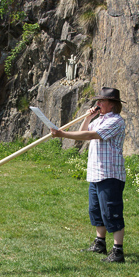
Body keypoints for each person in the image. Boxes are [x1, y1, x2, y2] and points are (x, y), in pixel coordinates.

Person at [51, 87, 127, 263]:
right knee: (96, 210)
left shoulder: (116, 121)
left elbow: (91, 135)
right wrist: (87, 118)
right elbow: (82, 132)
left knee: (112, 212)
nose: (97, 104)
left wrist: (62, 134)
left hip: (110, 174)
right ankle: (100, 243)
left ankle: (118, 251)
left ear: (112, 104)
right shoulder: (99, 120)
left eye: (101, 101)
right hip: (95, 173)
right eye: (97, 101)